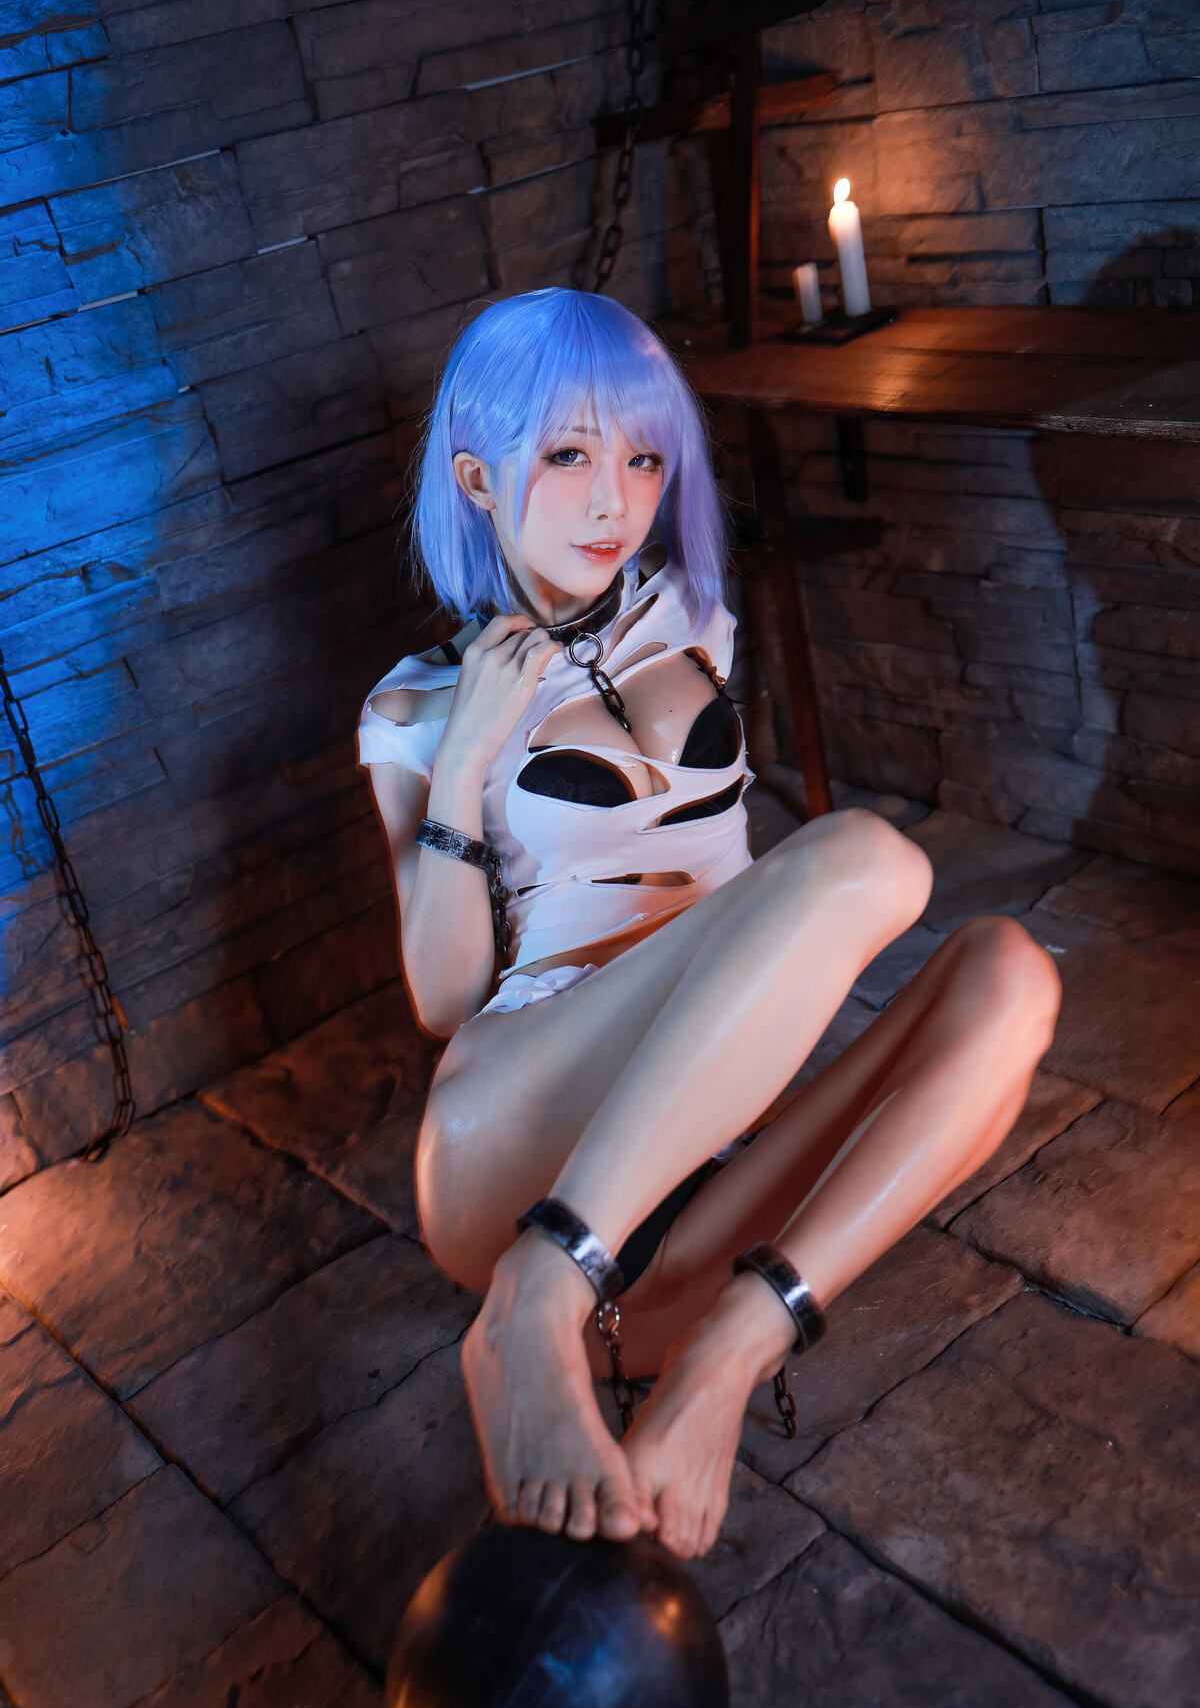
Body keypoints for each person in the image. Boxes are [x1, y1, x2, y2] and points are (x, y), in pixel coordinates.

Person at [358, 288, 1060, 1561]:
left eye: (642, 457)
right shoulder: (415, 707)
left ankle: (727, 1357)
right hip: (516, 1146)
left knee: (1013, 975)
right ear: (476, 476)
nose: (613, 501)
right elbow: (447, 998)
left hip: (693, 1196)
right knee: (866, 861)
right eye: (567, 455)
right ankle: (533, 1297)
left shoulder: (693, 623)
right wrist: (463, 761)